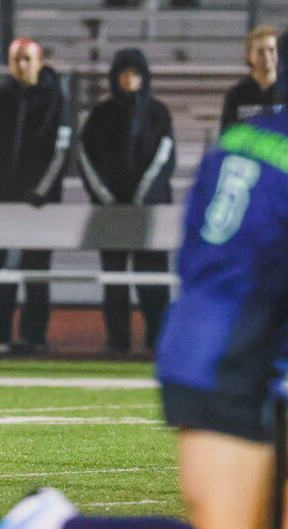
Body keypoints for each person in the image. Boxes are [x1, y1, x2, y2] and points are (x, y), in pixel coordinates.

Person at [0, 8, 288, 529]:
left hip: (207, 346)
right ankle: (55, 527)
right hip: (230, 366)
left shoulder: (239, 139)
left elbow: (193, 254)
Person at [0, 37, 71, 357]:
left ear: (40, 61)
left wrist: (40, 191)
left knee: (36, 270)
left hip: (40, 203)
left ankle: (33, 337)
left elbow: (61, 149)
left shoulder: (55, 96)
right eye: (16, 59)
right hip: (1, 200)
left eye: (28, 59)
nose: (22, 66)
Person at [80, 48, 175, 355]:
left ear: (144, 76)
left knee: (153, 281)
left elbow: (164, 158)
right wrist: (107, 197)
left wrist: (142, 197)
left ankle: (157, 340)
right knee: (115, 281)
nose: (129, 79)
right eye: (124, 73)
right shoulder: (100, 114)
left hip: (151, 212)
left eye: (135, 73)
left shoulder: (158, 113)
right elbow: (86, 158)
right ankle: (118, 342)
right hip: (111, 212)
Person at [220, 24, 283, 133]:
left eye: (271, 50)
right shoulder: (236, 94)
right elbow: (227, 136)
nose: (267, 56)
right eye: (260, 52)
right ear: (249, 55)